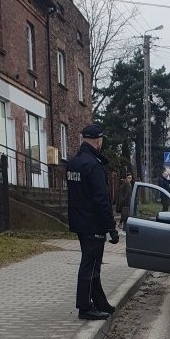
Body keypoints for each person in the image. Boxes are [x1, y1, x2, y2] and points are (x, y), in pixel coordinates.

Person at [67, 124, 120, 321]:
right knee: (90, 266)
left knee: (92, 263)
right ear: (99, 140)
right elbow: (101, 199)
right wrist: (111, 228)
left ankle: (99, 302)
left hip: (79, 221)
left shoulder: (74, 163)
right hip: (93, 223)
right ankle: (85, 307)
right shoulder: (93, 165)